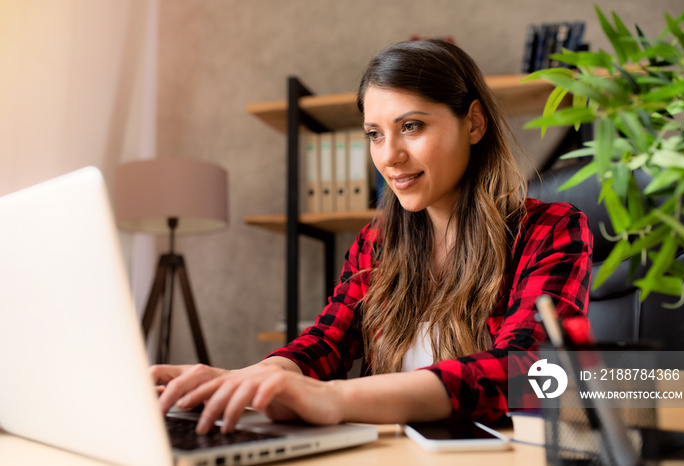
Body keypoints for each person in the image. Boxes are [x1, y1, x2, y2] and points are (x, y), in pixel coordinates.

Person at [151, 39, 593, 435]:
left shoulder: (550, 230)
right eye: (374, 134)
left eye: (412, 126)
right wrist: (245, 380)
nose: (389, 156)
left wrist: (335, 399)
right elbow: (325, 343)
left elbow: (528, 371)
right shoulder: (376, 242)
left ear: (474, 123)